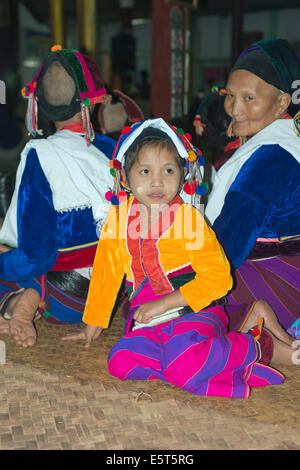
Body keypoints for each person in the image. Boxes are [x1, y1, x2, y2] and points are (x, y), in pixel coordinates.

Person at [62, 117, 299, 399]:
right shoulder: (119, 217)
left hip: (193, 310)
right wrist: (94, 322)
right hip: (149, 318)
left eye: (168, 170)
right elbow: (107, 271)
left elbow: (219, 278)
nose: (157, 181)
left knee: (182, 365)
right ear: (124, 177)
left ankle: (258, 347)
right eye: (145, 171)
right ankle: (206, 361)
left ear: (183, 175)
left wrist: (164, 303)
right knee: (121, 361)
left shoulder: (189, 220)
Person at [0, 45, 117, 347]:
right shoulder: (114, 150)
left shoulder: (41, 155)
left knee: (10, 263)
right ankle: (26, 301)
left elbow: (38, 254)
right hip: (114, 294)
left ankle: (23, 302)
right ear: (93, 102)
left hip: (67, 299)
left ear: (37, 103)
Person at [205, 39, 300, 336]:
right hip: (288, 272)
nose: (235, 109)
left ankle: (272, 344)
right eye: (231, 96)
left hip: (276, 284)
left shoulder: (271, 157)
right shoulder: (282, 141)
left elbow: (229, 245)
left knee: (169, 312)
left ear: (282, 102)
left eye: (249, 98)